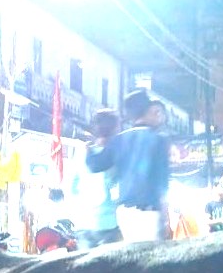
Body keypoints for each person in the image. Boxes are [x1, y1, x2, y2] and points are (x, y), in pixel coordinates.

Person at [86, 89, 170, 242]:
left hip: (125, 215)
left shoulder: (118, 140)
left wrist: (89, 149)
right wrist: (165, 219)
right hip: (149, 213)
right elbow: (162, 184)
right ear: (148, 111)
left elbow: (95, 165)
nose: (158, 115)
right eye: (155, 111)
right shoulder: (159, 139)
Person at [72, 109, 122, 249]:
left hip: (84, 222)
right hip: (109, 223)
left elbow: (72, 187)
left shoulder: (82, 153)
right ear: (115, 129)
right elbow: (120, 188)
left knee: (85, 269)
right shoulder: (116, 155)